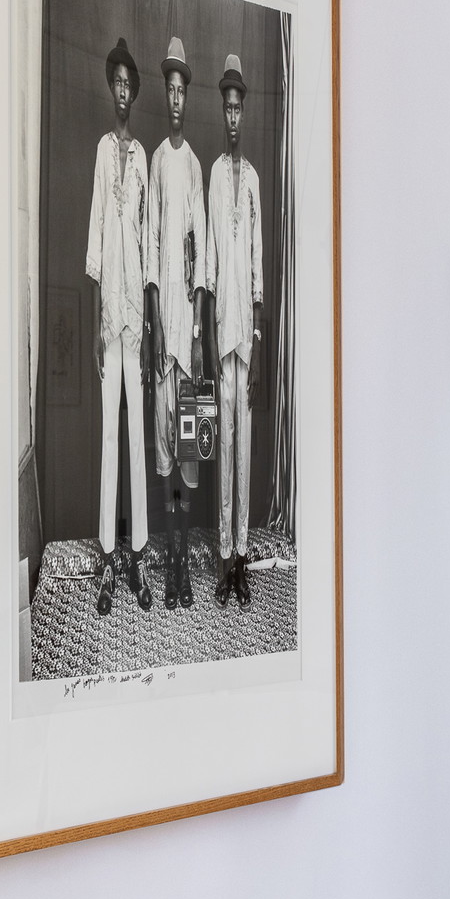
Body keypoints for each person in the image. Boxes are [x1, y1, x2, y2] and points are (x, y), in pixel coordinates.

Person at [81, 38, 154, 613]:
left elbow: (147, 248)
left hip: (137, 321)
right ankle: (107, 554)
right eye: (118, 83)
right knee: (110, 435)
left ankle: (140, 553)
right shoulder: (105, 152)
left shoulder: (146, 159)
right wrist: (93, 330)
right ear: (112, 89)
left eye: (131, 83)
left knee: (137, 435)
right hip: (110, 320)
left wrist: (148, 326)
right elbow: (97, 241)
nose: (124, 91)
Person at [145, 42, 212, 605]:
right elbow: (152, 248)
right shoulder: (155, 162)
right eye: (167, 88)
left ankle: (186, 566)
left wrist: (194, 329)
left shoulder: (193, 166)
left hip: (188, 336)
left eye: (180, 90)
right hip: (162, 330)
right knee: (164, 447)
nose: (173, 98)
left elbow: (201, 256)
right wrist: (156, 325)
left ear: (188, 97)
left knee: (190, 453)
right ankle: (168, 562)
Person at [207, 63, 267, 603]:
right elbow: (210, 264)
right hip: (219, 332)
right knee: (222, 446)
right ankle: (224, 559)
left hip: (244, 338)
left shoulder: (251, 180)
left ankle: (243, 558)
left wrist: (258, 346)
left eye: (237, 106)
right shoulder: (213, 177)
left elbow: (256, 266)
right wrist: (208, 338)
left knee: (243, 451)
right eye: (224, 105)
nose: (231, 115)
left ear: (243, 112)